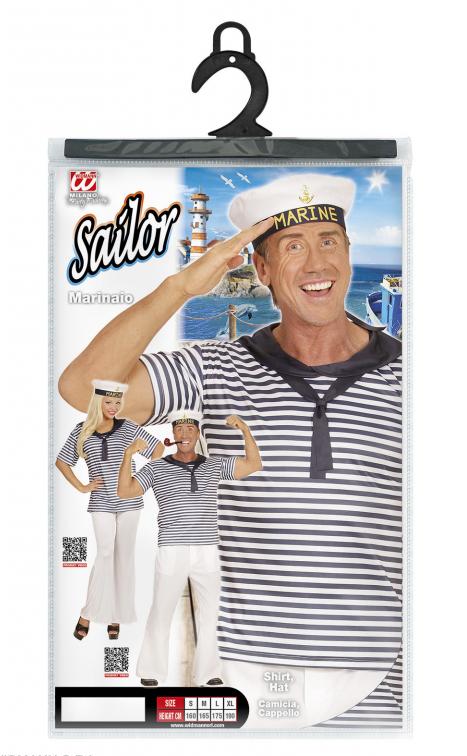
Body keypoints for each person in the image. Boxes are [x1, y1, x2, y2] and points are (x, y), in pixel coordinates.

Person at [58, 173, 403, 727]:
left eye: (329, 242)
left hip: (383, 694)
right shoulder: (213, 368)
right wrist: (179, 289)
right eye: (293, 247)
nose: (317, 263)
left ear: (348, 251)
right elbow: (83, 388)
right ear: (260, 269)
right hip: (239, 695)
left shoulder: (407, 376)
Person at [115, 411, 261, 688]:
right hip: (172, 547)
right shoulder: (156, 468)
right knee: (161, 610)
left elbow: (253, 465)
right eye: (179, 429)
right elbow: (125, 491)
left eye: (189, 429)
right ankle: (151, 670)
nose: (184, 434)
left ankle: (208, 674)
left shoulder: (214, 465)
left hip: (207, 549)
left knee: (210, 615)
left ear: (197, 434)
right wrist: (128, 454)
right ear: (173, 433)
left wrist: (245, 430)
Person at [55, 379, 164, 641]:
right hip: (101, 501)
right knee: (105, 554)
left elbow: (158, 449)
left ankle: (117, 616)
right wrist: (82, 486)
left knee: (123, 558)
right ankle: (87, 613)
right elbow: (62, 462)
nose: (114, 407)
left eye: (117, 402)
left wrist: (140, 480)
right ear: (97, 402)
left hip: (129, 502)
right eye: (108, 402)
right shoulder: (81, 431)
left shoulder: (127, 428)